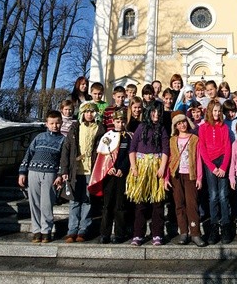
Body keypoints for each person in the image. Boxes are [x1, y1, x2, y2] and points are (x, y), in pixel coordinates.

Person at [60, 101, 105, 243]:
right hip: (75, 170)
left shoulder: (100, 128)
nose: (89, 114)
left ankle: (83, 229)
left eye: (92, 112)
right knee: (74, 200)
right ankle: (72, 230)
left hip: (90, 170)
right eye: (86, 112)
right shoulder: (75, 128)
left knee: (87, 201)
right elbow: (66, 150)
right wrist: (65, 169)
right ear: (82, 113)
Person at [18, 110, 64, 243]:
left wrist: (60, 175)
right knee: (34, 203)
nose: (55, 126)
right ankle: (36, 231)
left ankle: (46, 231)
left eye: (57, 123)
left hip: (50, 174)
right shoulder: (39, 137)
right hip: (33, 171)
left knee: (46, 203)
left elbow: (63, 160)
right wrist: (22, 172)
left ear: (61, 123)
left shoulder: (63, 140)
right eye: (52, 123)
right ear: (46, 124)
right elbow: (28, 154)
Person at [126, 105, 169, 246]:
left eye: (158, 112)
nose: (156, 114)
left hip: (156, 168)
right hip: (140, 167)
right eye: (154, 112)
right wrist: (133, 167)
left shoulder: (161, 129)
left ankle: (157, 234)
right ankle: (138, 234)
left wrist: (162, 167)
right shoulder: (141, 127)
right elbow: (132, 148)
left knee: (158, 203)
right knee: (140, 203)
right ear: (149, 113)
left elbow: (165, 150)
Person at [88, 109, 132, 244]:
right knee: (107, 206)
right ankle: (104, 234)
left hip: (121, 175)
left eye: (123, 121)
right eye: (118, 121)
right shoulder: (107, 136)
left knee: (120, 205)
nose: (120, 124)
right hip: (109, 175)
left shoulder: (129, 137)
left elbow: (130, 155)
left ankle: (119, 233)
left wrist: (122, 169)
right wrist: (108, 168)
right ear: (113, 122)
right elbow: (102, 157)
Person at [165, 112, 206, 247]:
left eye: (183, 122)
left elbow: (198, 158)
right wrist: (166, 178)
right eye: (178, 123)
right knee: (179, 204)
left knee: (192, 204)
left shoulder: (194, 138)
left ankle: (195, 233)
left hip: (191, 175)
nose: (182, 125)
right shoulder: (172, 140)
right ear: (175, 126)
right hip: (176, 175)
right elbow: (170, 159)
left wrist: (199, 177)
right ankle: (183, 232)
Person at [199, 98, 232, 244]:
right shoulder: (203, 127)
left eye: (219, 111)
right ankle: (213, 227)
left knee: (223, 195)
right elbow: (202, 149)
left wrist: (224, 167)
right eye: (215, 111)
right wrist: (212, 167)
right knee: (213, 196)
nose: (217, 113)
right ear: (209, 112)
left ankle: (225, 226)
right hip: (210, 163)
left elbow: (227, 147)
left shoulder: (224, 127)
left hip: (222, 161)